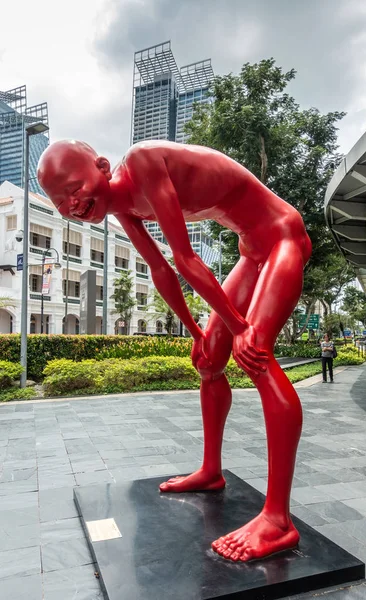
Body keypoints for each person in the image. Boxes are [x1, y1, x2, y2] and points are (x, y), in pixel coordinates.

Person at [37, 139, 312, 562]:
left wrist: (241, 328)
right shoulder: (124, 208)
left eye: (74, 188)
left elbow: (183, 258)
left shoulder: (144, 162)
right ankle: (211, 471)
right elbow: (161, 271)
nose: (72, 204)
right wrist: (196, 334)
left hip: (282, 238)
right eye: (59, 202)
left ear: (102, 166)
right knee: (208, 364)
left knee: (254, 352)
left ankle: (278, 520)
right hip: (252, 252)